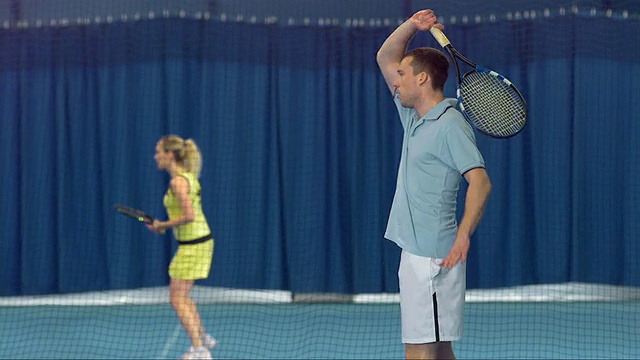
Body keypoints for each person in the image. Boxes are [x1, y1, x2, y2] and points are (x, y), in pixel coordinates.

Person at [376, 9, 492, 360]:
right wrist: (413, 26)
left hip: (432, 259)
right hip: (417, 255)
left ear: (422, 79)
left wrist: (463, 234)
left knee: (420, 351)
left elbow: (481, 182)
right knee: (440, 351)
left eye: (402, 75)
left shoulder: (451, 124)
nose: (395, 80)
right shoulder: (414, 117)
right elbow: (385, 56)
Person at [147, 135, 217, 360]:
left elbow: (189, 215)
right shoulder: (188, 176)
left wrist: (162, 226)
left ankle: (199, 351)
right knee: (182, 295)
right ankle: (203, 337)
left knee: (176, 297)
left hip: (193, 245)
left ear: (170, 155)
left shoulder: (177, 181)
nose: (155, 156)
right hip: (199, 241)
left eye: (159, 152)